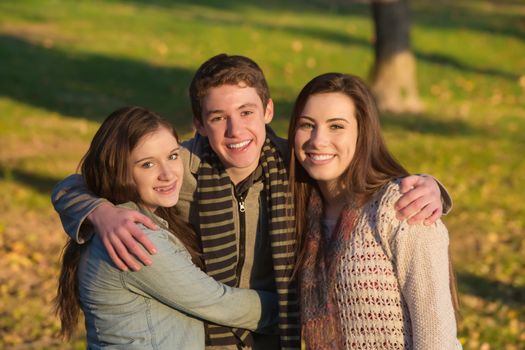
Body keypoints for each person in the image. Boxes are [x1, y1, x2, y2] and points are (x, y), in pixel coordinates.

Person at [51, 54, 451, 350]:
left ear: (268, 111)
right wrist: (99, 211)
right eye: (219, 117)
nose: (236, 130)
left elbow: (360, 171)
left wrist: (432, 187)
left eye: (247, 112)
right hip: (210, 337)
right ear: (200, 124)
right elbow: (78, 183)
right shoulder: (181, 166)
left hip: (279, 339)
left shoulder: (298, 165)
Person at [55, 106, 278, 349]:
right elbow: (219, 303)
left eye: (173, 156)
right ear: (118, 171)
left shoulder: (129, 216)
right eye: (147, 164)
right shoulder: (134, 237)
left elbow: (70, 186)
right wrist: (299, 308)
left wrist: (100, 211)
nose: (168, 174)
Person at [288, 73, 461, 349]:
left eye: (336, 126)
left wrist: (435, 188)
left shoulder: (402, 208)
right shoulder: (301, 213)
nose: (318, 140)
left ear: (362, 132)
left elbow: (437, 338)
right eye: (307, 125)